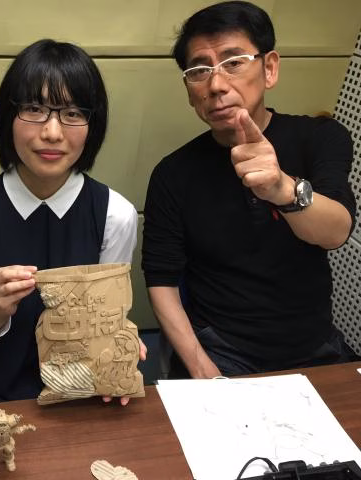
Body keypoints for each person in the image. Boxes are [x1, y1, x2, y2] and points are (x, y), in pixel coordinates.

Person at [142, 0, 358, 379]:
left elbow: (336, 232)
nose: (216, 85)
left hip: (314, 346)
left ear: (269, 68)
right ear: (189, 90)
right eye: (199, 70)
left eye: (233, 62)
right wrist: (204, 371)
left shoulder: (320, 138)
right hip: (221, 350)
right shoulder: (172, 174)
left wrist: (281, 188)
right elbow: (162, 280)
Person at [0, 39, 144, 407]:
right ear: (9, 116)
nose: (52, 132)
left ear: (93, 124)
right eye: (34, 109)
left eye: (72, 113)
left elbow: (109, 315)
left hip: (82, 391)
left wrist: (119, 347)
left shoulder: (116, 214)